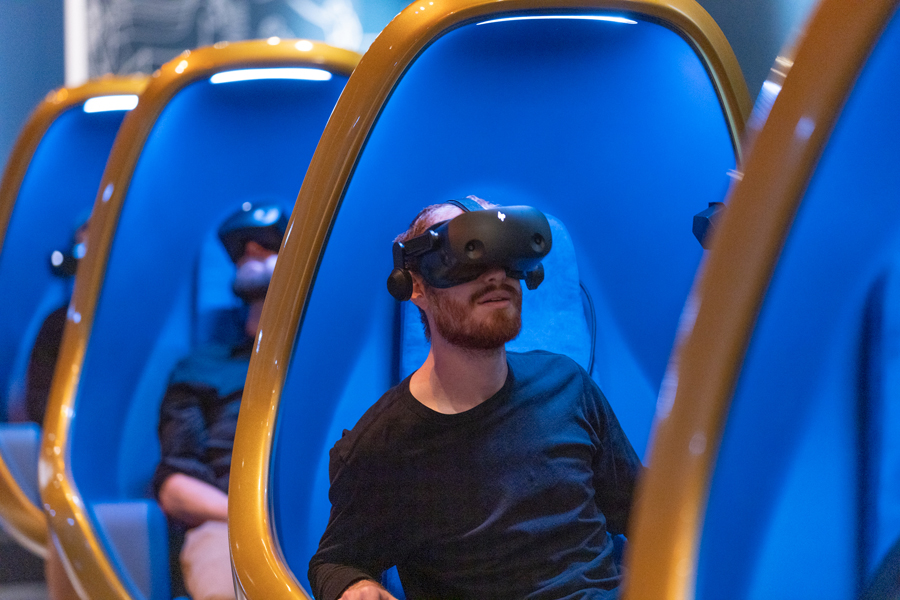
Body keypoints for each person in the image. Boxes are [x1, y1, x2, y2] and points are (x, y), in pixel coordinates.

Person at [308, 196, 643, 600]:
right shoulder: (383, 446)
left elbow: (643, 513)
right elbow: (335, 561)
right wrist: (355, 585)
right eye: (466, 256)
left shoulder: (568, 385)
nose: (495, 275)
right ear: (416, 286)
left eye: (505, 256)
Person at [151, 201, 288, 600]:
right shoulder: (202, 366)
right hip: (226, 522)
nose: (252, 253)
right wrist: (253, 521)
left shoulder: (321, 367)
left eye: (267, 245)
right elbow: (175, 485)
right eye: (243, 250)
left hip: (322, 521)